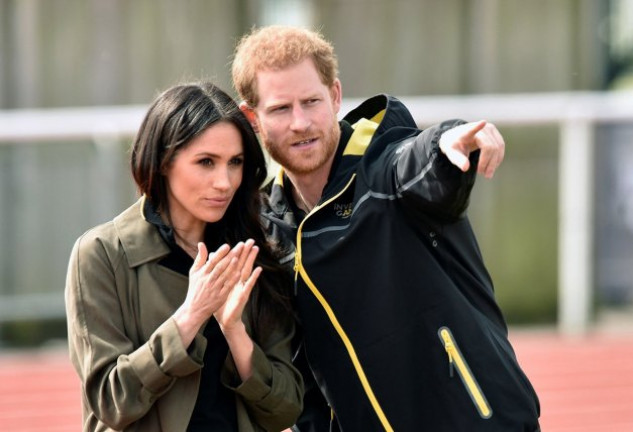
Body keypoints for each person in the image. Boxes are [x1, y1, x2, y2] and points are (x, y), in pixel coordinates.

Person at [231, 25, 541, 431]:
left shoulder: (384, 169)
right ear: (252, 117)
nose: (301, 122)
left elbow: (419, 162)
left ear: (336, 95)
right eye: (280, 109)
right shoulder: (269, 230)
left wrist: (447, 143)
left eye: (311, 101)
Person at [64, 81, 304, 432]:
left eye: (235, 162)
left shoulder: (255, 254)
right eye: (206, 162)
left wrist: (234, 329)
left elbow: (284, 410)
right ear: (163, 162)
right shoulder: (101, 254)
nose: (224, 181)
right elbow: (111, 402)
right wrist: (190, 317)